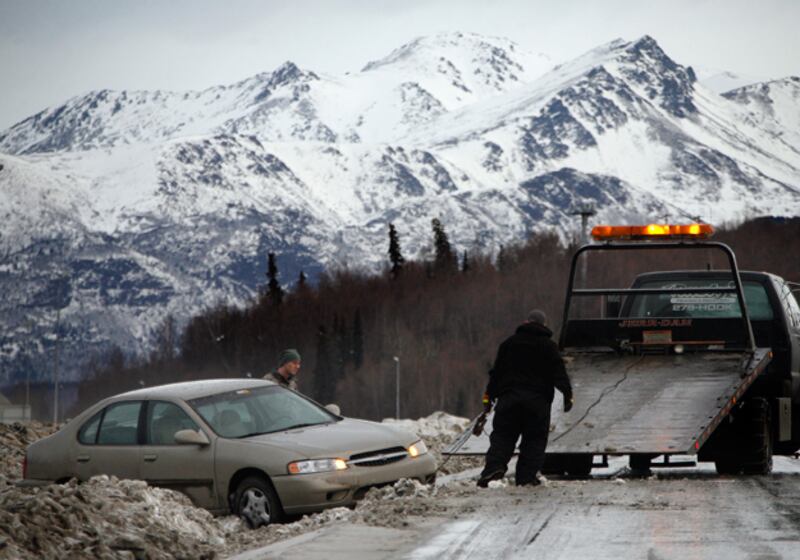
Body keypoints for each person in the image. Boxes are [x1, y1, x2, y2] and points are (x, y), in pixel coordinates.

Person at [477, 309, 574, 487]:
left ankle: (493, 469)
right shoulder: (549, 346)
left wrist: (488, 398)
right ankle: (526, 477)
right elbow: (559, 374)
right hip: (537, 403)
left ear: (526, 322)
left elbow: (496, 373)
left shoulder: (508, 344)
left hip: (509, 400)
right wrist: (568, 397)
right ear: (544, 325)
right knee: (534, 440)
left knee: (503, 436)